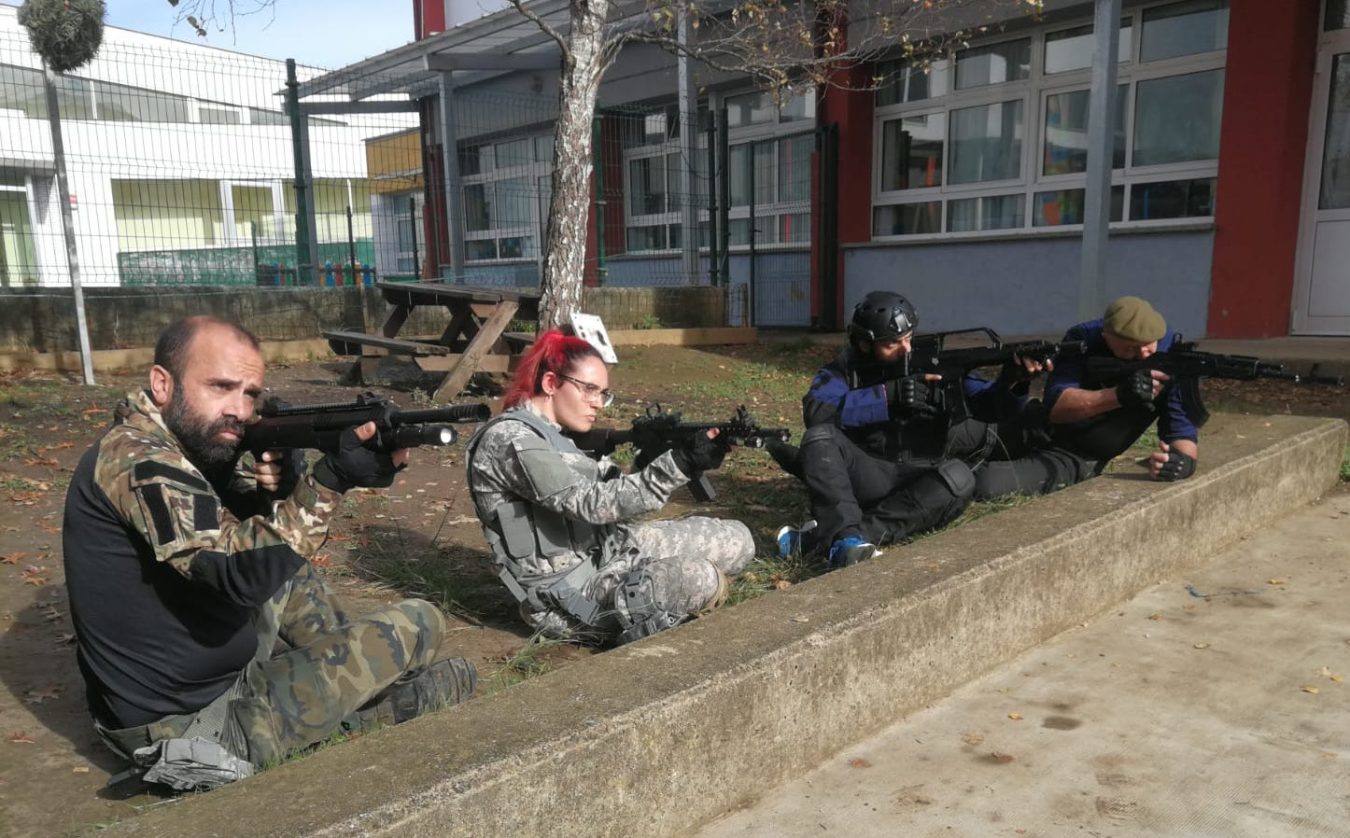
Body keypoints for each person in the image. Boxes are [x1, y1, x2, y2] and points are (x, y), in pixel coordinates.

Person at [62, 316, 475, 790]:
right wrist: (330, 481)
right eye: (221, 387)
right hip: (190, 726)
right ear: (161, 383)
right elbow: (237, 571)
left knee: (297, 579)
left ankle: (357, 698)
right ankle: (368, 711)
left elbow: (248, 534)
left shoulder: (181, 443)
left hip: (213, 678)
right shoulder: (138, 460)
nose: (239, 409)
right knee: (420, 623)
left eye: (250, 393)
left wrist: (279, 491)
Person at [467, 330, 754, 645]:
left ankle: (656, 586)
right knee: (702, 577)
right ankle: (635, 615)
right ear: (551, 383)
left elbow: (619, 505)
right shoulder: (510, 439)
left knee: (740, 539)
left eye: (603, 392)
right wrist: (678, 464)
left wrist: (673, 461)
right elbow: (589, 503)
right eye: (589, 390)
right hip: (572, 593)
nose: (598, 404)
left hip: (608, 548)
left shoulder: (558, 437)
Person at [775, 291, 1043, 569]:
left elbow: (989, 408)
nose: (906, 349)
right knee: (819, 438)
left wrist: (1012, 383)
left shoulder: (930, 363)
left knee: (960, 479)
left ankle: (839, 540)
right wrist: (887, 396)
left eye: (909, 338)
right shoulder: (843, 371)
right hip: (866, 473)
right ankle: (843, 538)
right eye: (893, 343)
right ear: (865, 344)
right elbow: (817, 413)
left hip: (918, 477)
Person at [973, 296, 1201, 499]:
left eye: (1149, 346)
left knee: (985, 482)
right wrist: (1119, 395)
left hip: (1078, 455)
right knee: (963, 437)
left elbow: (1182, 432)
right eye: (1130, 349)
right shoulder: (1083, 338)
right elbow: (1056, 408)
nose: (1142, 355)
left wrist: (1183, 463)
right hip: (1038, 424)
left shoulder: (1174, 356)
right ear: (1106, 337)